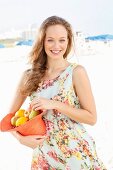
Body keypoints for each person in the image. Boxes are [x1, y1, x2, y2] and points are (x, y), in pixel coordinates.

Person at [9, 16, 106, 169]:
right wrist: (20, 139)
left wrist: (55, 104)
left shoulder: (76, 72)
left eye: (62, 40)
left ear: (68, 42)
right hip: (43, 156)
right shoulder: (28, 76)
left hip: (75, 154)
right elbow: (9, 119)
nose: (56, 45)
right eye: (50, 40)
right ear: (42, 41)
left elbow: (91, 118)